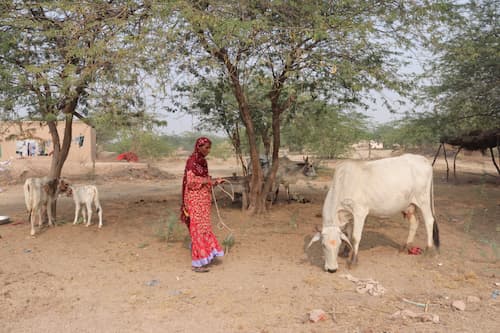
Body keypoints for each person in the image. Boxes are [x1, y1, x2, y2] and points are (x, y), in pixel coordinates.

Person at [180, 137, 225, 272]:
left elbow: (204, 182)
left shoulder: (202, 162)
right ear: (198, 147)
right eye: (206, 147)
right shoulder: (192, 161)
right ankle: (197, 263)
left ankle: (206, 256)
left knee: (204, 228)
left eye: (209, 148)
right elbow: (192, 182)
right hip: (194, 200)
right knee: (198, 229)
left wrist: (215, 182)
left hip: (203, 200)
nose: (208, 151)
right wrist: (208, 181)